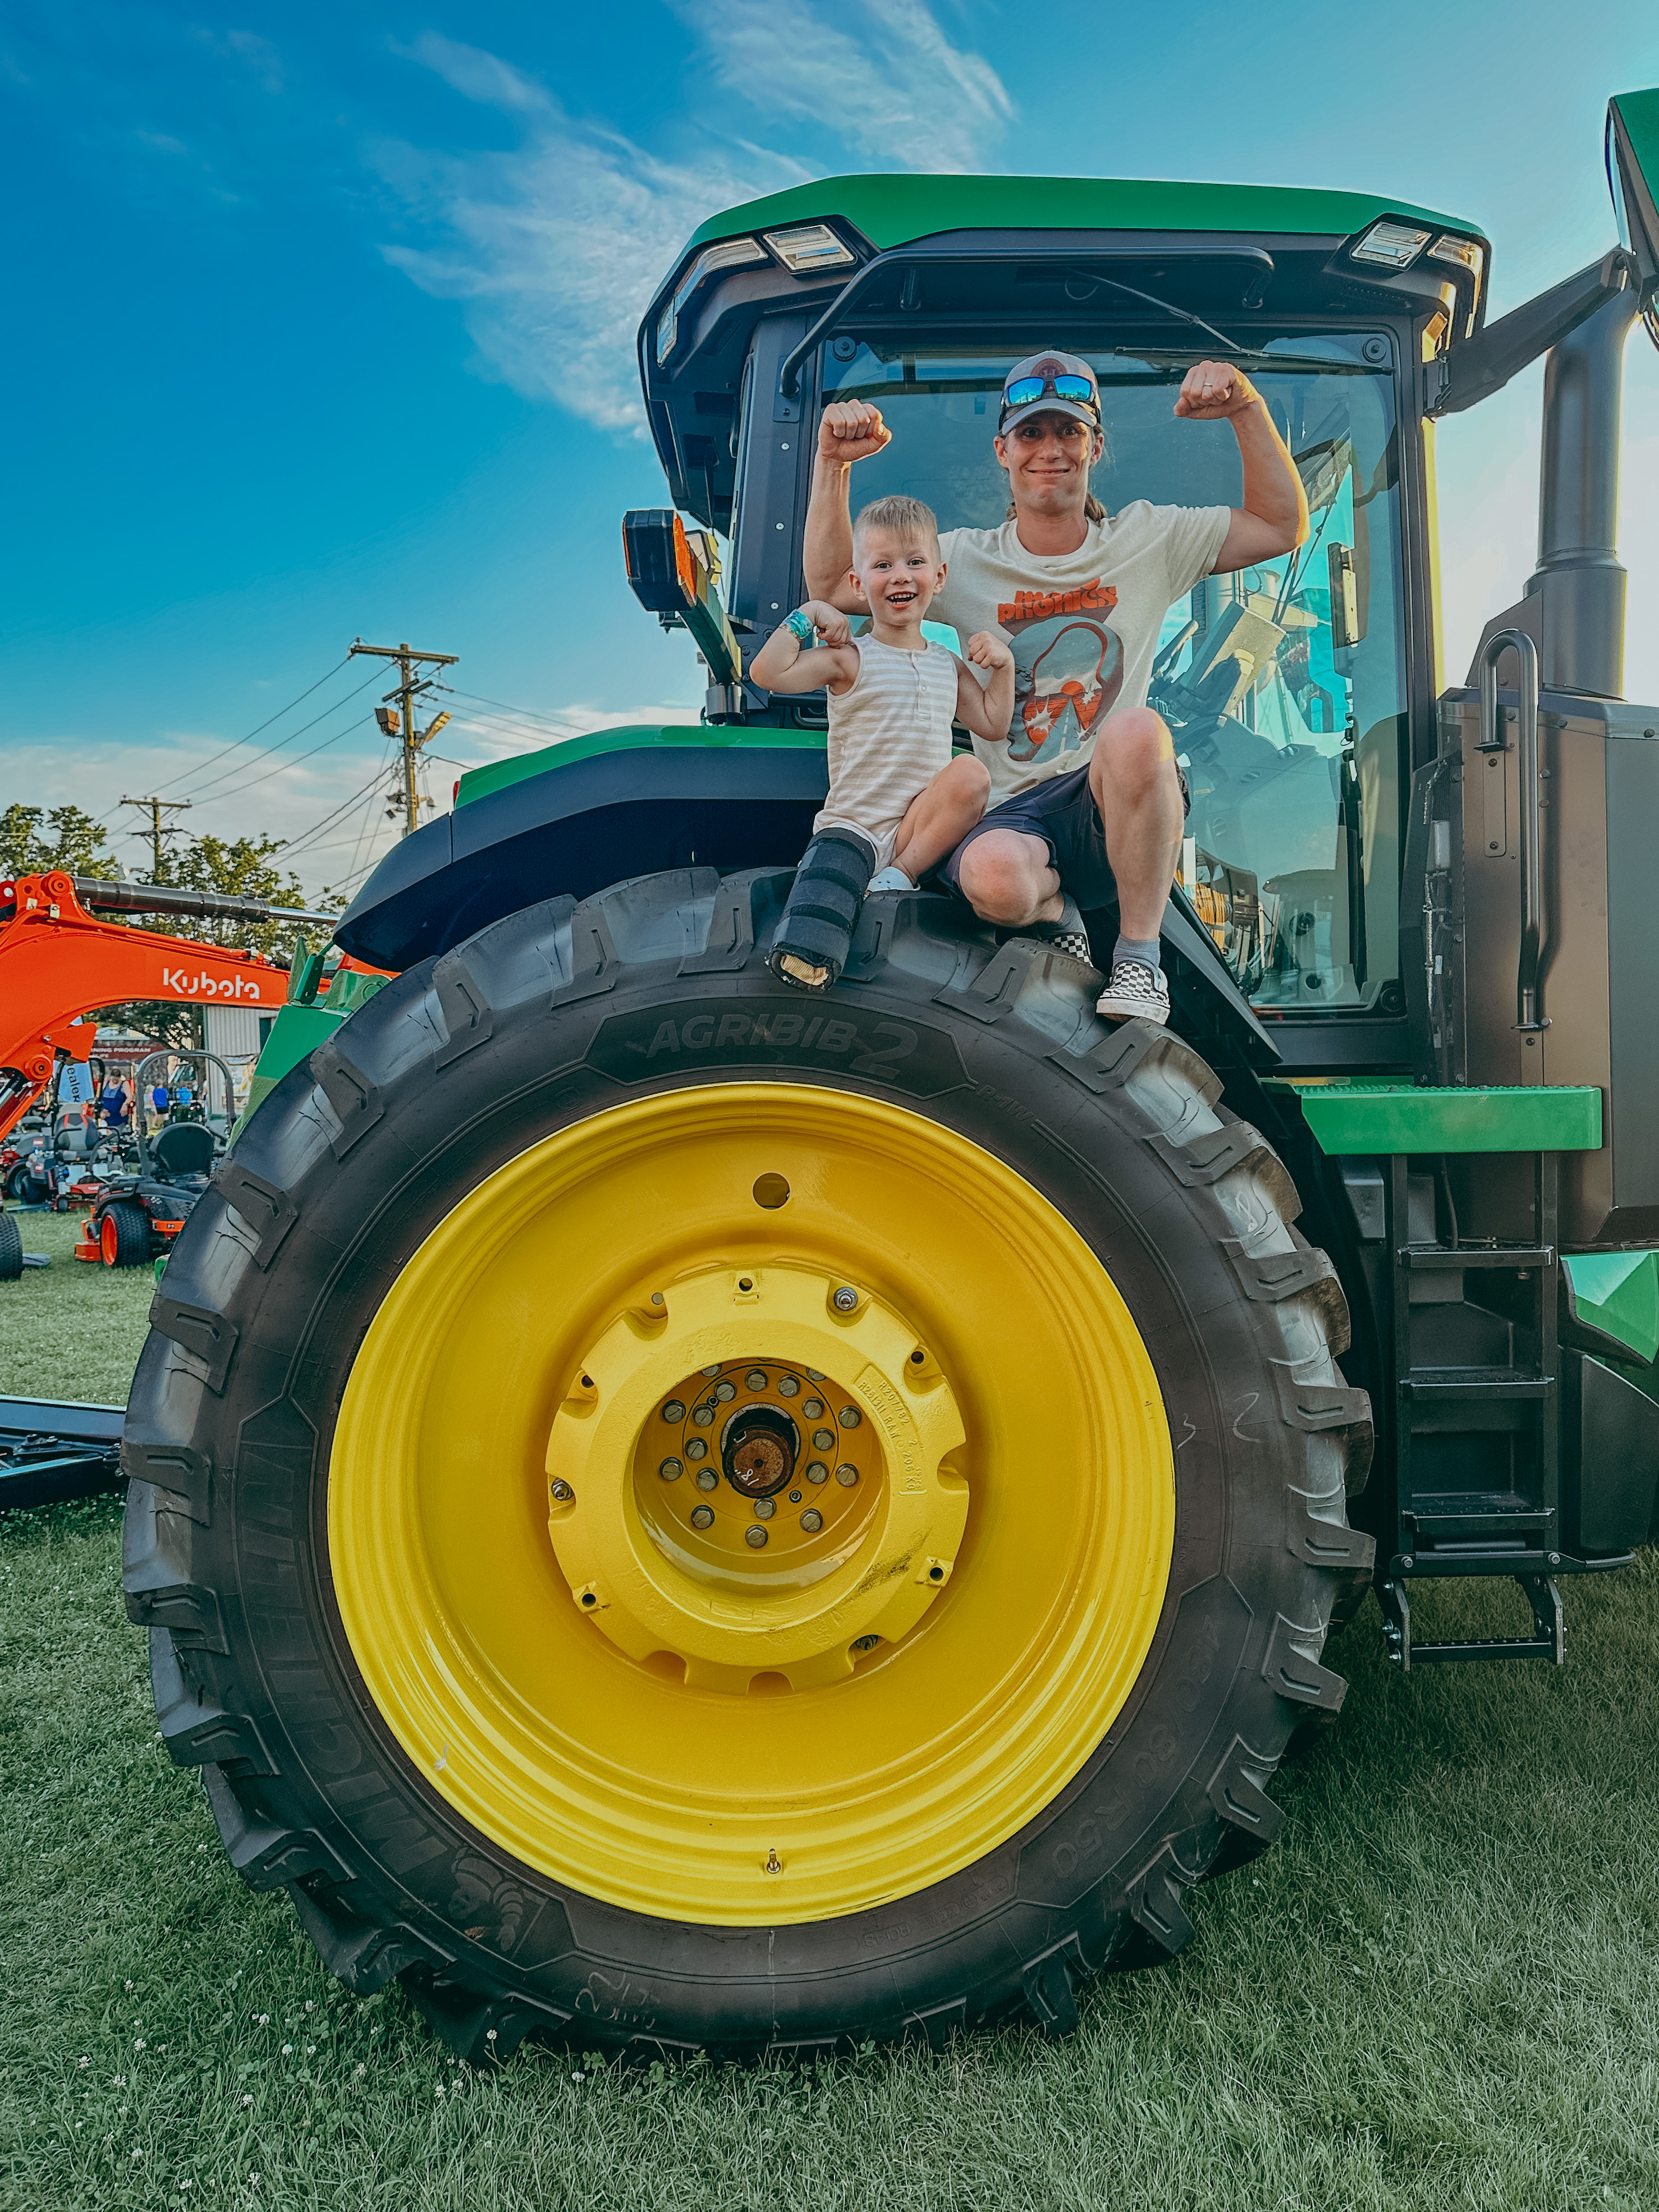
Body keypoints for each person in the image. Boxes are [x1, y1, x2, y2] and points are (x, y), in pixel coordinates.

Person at [804, 349, 1308, 1025]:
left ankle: (1137, 958)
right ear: (1003, 452)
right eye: (1032, 434)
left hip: (1108, 804)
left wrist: (1246, 409)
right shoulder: (963, 557)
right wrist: (833, 464)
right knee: (992, 879)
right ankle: (1056, 909)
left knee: (1136, 730)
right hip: (1016, 811)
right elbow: (836, 587)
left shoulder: (1151, 539)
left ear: (1095, 445)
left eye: (1068, 432)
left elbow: (1281, 527)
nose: (1050, 450)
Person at [753, 493, 1014, 990]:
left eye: (915, 562)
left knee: (972, 773)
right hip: (853, 825)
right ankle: (811, 957)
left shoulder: (946, 663)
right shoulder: (851, 658)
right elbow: (768, 672)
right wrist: (809, 613)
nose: (900, 575)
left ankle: (899, 878)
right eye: (883, 564)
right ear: (858, 583)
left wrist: (1003, 667)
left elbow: (992, 724)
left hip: (917, 830)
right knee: (812, 937)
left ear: (938, 578)